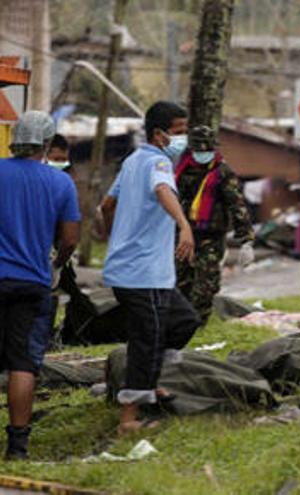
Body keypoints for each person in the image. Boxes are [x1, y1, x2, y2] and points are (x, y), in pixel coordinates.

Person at [99, 101, 201, 434]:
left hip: (143, 271)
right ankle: (129, 418)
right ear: (159, 134)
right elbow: (161, 191)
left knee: (184, 320)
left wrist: (120, 232)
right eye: (179, 132)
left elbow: (106, 204)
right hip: (142, 274)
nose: (184, 138)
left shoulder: (132, 161)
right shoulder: (157, 161)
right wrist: (183, 224)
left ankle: (148, 382)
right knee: (149, 337)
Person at [0, 111, 80, 459]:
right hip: (31, 283)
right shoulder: (61, 183)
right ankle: (17, 447)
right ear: (47, 145)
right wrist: (56, 265)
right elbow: (70, 239)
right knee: (22, 363)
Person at [174, 125, 255, 325]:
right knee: (180, 280)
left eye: (206, 150)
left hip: (211, 236)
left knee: (205, 283)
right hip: (184, 234)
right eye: (198, 150)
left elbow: (237, 204)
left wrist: (246, 240)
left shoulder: (222, 173)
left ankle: (197, 324)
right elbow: (172, 199)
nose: (203, 154)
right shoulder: (182, 170)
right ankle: (179, 323)